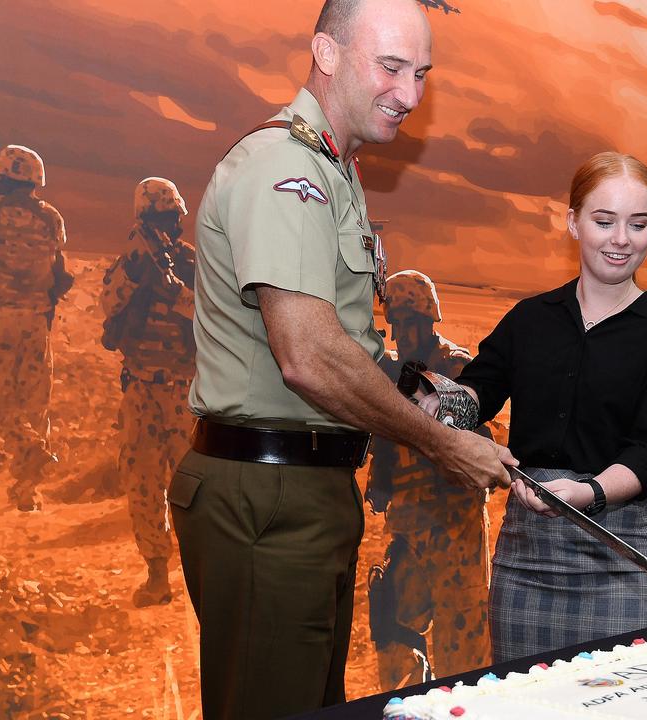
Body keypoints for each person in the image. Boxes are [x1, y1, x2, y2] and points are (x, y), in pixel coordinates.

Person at [168, 1, 514, 717]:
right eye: (390, 67)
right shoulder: (285, 168)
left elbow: (350, 348)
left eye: (421, 74)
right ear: (325, 54)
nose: (411, 95)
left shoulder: (334, 171)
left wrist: (430, 394)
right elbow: (310, 356)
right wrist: (443, 446)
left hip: (306, 486)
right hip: (269, 496)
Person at [451, 151, 647, 663]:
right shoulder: (529, 320)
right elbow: (477, 390)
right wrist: (441, 405)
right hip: (528, 561)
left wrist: (587, 492)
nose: (621, 239)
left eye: (638, 223)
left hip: (625, 557)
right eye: (604, 221)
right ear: (572, 222)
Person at [367, 270, 492, 687]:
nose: (403, 332)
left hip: (456, 532)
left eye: (412, 322)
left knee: (464, 658)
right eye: (397, 323)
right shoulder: (387, 373)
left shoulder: (455, 368)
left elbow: (484, 441)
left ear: (430, 320)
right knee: (393, 633)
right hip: (407, 528)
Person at [101, 177, 196, 607]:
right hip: (140, 386)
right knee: (142, 482)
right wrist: (134, 274)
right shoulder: (132, 263)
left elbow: (214, 317)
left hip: (183, 390)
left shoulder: (193, 265)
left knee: (193, 489)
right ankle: (157, 574)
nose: (166, 227)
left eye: (170, 218)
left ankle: (204, 575)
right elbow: (109, 306)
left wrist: (178, 294)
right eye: (158, 220)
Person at [0, 144, 73, 512]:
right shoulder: (50, 218)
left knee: (3, 402)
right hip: (36, 320)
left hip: (2, 318)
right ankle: (27, 492)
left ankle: (27, 446)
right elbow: (60, 271)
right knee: (34, 402)